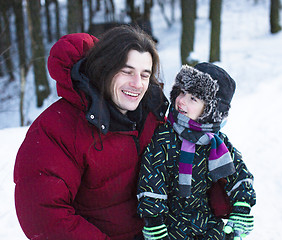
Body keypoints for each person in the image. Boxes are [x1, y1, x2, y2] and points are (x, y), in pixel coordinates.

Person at [14, 25, 169, 240]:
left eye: (145, 75)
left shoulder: (154, 115)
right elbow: (44, 215)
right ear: (105, 69)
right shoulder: (56, 128)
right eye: (126, 71)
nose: (137, 84)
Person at [137, 63, 256, 240]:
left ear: (211, 110)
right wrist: (154, 220)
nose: (182, 100)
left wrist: (241, 207)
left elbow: (239, 174)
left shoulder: (217, 143)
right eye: (182, 92)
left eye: (193, 98)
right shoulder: (164, 137)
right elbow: (151, 178)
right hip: (171, 224)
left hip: (207, 222)